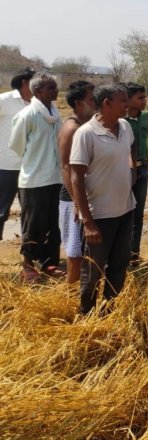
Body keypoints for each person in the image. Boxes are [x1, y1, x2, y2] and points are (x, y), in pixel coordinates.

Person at [70, 83, 136, 315]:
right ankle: (86, 315)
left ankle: (109, 313)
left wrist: (132, 172)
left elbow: (131, 150)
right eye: (123, 101)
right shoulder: (86, 133)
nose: (127, 105)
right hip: (99, 217)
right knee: (93, 271)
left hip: (125, 210)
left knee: (118, 267)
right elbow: (76, 177)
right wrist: (87, 221)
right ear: (106, 103)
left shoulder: (126, 127)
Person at [8, 72, 64, 282]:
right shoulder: (27, 115)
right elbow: (16, 145)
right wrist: (35, 160)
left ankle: (49, 263)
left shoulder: (55, 114)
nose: (56, 90)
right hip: (34, 179)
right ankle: (28, 264)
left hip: (54, 177)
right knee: (33, 224)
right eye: (51, 87)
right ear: (38, 91)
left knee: (51, 223)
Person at [58, 81, 96, 285]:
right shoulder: (71, 128)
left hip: (82, 197)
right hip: (72, 198)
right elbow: (66, 167)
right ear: (79, 104)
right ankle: (68, 293)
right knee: (74, 252)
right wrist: (77, 202)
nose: (96, 103)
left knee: (83, 249)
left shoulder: (86, 127)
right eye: (92, 99)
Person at [0, 67, 34, 241]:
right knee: (1, 211)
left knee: (29, 211)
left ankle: (28, 250)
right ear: (25, 83)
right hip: (6, 166)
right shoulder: (5, 100)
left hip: (30, 167)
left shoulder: (38, 104)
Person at [124, 82, 148, 266]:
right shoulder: (120, 121)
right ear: (129, 99)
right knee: (123, 212)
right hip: (125, 171)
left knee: (138, 213)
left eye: (145, 97)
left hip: (143, 169)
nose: (144, 101)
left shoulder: (145, 117)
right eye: (140, 98)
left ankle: (134, 254)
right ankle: (121, 253)